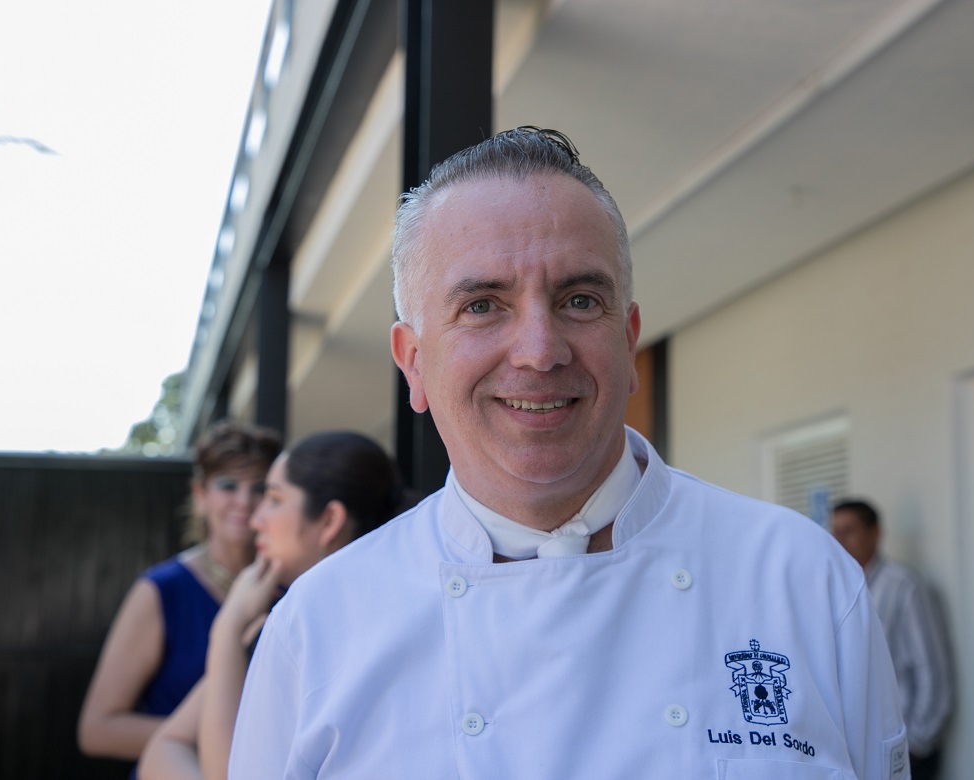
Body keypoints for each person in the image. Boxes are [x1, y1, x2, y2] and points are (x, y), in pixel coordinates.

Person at [230, 127, 907, 779]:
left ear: (629, 340)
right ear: (413, 363)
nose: (539, 351)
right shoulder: (317, 629)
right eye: (482, 305)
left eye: (579, 300)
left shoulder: (805, 581)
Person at [136, 431, 416, 780]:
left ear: (329, 521)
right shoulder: (278, 621)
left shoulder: (350, 634)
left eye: (272, 498)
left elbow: (227, 772)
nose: (256, 519)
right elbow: (165, 745)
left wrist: (227, 628)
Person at [78, 420, 281, 774]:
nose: (245, 501)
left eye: (260, 488)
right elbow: (97, 730)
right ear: (200, 495)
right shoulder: (163, 590)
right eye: (228, 485)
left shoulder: (289, 590)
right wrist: (212, 735)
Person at [832, 498, 954, 780]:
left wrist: (916, 743)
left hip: (904, 749)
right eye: (835, 531)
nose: (839, 540)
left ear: (875, 533)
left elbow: (932, 669)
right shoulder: (840, 589)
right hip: (858, 749)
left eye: (849, 530)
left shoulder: (903, 585)